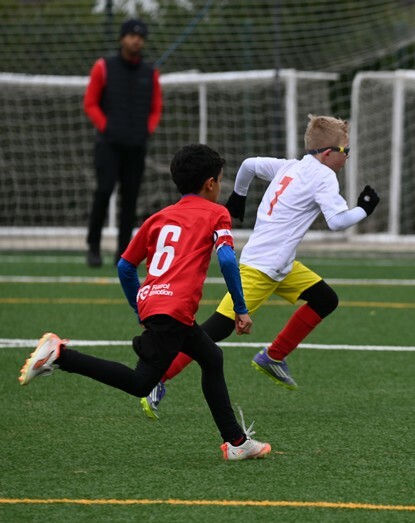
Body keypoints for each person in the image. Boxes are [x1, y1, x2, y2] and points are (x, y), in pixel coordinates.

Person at [19, 144, 271, 461]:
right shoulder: (217, 213)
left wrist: (140, 307)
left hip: (161, 305)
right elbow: (228, 261)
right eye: (220, 181)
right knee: (141, 383)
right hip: (174, 309)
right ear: (210, 183)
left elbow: (125, 266)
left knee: (211, 357)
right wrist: (241, 308)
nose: (220, 187)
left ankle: (236, 442)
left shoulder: (158, 218)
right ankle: (61, 355)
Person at [139, 114, 380, 419]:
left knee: (325, 299)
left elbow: (249, 164)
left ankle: (273, 356)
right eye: (346, 151)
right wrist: (364, 208)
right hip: (263, 268)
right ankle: (157, 378)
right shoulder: (323, 176)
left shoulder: (290, 166)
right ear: (328, 153)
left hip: (279, 264)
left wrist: (238, 196)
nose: (348, 157)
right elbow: (337, 221)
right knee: (214, 330)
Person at [84, 18, 163, 267]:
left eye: (140, 37)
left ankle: (123, 252)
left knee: (130, 199)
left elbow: (156, 108)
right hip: (108, 145)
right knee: (103, 191)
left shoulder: (150, 73)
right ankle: (93, 247)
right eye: (131, 36)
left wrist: (147, 129)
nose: (136, 40)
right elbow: (90, 103)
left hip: (136, 147)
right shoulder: (103, 67)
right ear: (122, 38)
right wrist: (107, 127)